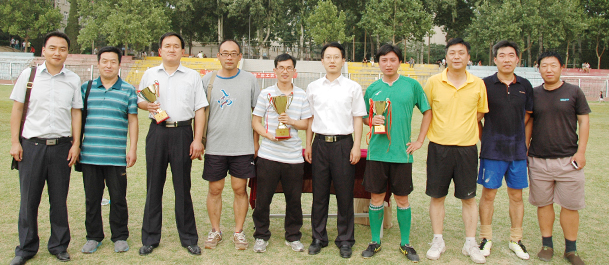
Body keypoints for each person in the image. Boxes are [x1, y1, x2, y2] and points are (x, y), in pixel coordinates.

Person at [9, 32, 82, 265]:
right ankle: (26, 248)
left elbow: (76, 112)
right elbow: (18, 110)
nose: (57, 52)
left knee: (59, 200)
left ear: (67, 52)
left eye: (62, 48)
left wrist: (76, 144)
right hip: (32, 146)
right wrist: (14, 142)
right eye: (52, 48)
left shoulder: (72, 79)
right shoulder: (29, 76)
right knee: (29, 199)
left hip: (61, 147)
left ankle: (59, 245)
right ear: (44, 50)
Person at [137, 32, 208, 256]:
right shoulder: (149, 74)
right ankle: (150, 238)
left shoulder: (192, 76)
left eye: (176, 46)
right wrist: (145, 106)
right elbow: (140, 100)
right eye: (167, 46)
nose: (171, 49)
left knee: (182, 187)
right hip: (157, 132)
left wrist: (197, 139)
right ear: (160, 51)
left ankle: (188, 238)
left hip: (183, 133)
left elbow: (200, 109)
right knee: (153, 186)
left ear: (182, 51)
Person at [360, 44, 431, 262]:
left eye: (392, 60)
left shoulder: (412, 86)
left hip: (402, 154)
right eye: (384, 60)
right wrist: (372, 120)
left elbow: (427, 111)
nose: (388, 64)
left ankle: (405, 243)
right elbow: (363, 117)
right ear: (378, 62)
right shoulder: (372, 89)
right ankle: (375, 241)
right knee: (376, 197)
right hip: (376, 154)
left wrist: (420, 141)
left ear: (399, 61)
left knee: (402, 198)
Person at [423, 38, 488, 264]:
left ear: (468, 57)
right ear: (446, 57)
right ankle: (438, 240)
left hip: (467, 149)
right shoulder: (433, 82)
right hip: (438, 148)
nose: (457, 56)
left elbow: (480, 114)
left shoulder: (478, 84)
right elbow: (427, 110)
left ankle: (470, 242)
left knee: (468, 198)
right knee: (437, 195)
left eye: (461, 53)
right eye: (452, 53)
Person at [305, 42, 367, 259]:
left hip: (343, 145)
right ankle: (318, 237)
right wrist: (308, 144)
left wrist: (356, 146)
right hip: (320, 144)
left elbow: (358, 118)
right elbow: (310, 119)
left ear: (343, 60)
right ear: (322, 61)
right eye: (328, 57)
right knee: (319, 194)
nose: (332, 61)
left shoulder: (353, 88)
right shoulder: (313, 87)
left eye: (336, 57)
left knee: (344, 194)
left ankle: (345, 240)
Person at [527, 51, 590, 265]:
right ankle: (547, 245)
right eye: (544, 66)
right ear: (539, 68)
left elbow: (584, 122)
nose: (549, 70)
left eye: (553, 65)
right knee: (543, 204)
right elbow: (529, 123)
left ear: (561, 67)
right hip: (538, 160)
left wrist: (580, 152)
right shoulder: (534, 94)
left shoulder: (574, 92)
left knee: (570, 206)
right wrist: (525, 149)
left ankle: (570, 250)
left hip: (568, 160)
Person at [78, 46, 139, 254]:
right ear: (98, 63)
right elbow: (77, 120)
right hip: (90, 155)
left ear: (119, 65)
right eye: (104, 61)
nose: (108, 65)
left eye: (113, 61)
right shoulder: (86, 88)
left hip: (116, 156)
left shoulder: (128, 89)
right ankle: (93, 236)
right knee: (92, 198)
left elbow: (132, 120)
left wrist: (132, 148)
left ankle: (120, 236)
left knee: (118, 197)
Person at [201, 39, 260, 251]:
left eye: (233, 54)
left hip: (242, 147)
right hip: (215, 146)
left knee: (239, 189)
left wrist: (255, 142)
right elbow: (200, 113)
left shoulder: (250, 80)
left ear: (239, 56)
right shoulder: (207, 80)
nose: (229, 57)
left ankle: (238, 232)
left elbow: (257, 114)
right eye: (224, 53)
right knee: (215, 189)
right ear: (218, 55)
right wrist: (199, 140)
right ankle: (215, 231)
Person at [477, 40, 533, 261]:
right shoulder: (484, 84)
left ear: (518, 59)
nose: (507, 59)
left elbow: (528, 116)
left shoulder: (525, 85)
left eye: (511, 55)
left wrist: (522, 141)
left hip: (517, 152)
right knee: (488, 195)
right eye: (502, 55)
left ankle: (515, 240)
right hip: (492, 151)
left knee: (516, 196)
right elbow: (477, 118)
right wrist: (486, 139)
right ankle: (485, 238)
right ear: (495, 59)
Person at [251, 53, 312, 253]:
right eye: (281, 67)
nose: (285, 71)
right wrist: (267, 136)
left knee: (294, 199)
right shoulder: (266, 93)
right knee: (263, 199)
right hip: (268, 155)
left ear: (294, 71)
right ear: (275, 70)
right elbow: (255, 121)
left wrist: (291, 122)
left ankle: (293, 236)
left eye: (289, 68)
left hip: (293, 157)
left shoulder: (301, 94)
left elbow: (307, 124)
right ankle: (261, 235)